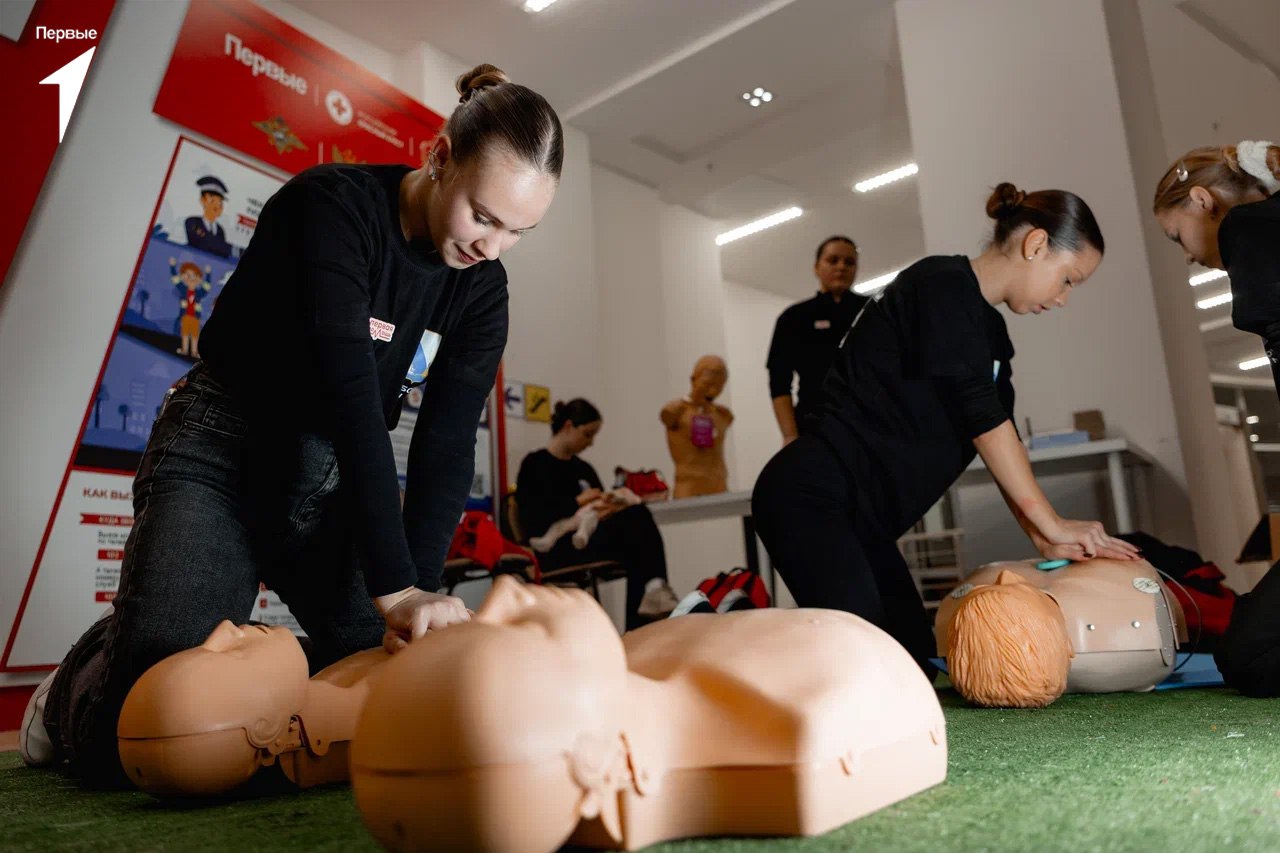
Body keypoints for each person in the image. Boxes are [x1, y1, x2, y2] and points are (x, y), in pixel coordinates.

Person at [25, 63, 564, 784]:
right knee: (149, 730)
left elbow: (443, 443)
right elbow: (350, 399)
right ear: (439, 159)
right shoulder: (331, 209)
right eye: (484, 215)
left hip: (328, 487)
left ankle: (231, 656)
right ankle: (81, 676)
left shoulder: (482, 290)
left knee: (394, 689)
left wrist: (421, 598)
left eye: (519, 230)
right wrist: (395, 588)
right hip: (223, 452)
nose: (492, 246)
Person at [752, 183, 1140, 673]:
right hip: (810, 497)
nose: (1064, 298)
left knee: (913, 659)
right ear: (1036, 245)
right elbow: (981, 415)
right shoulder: (939, 284)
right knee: (867, 663)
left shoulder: (993, 336)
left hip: (864, 523)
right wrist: (1052, 519)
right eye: (1068, 279)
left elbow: (999, 437)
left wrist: (1042, 537)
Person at [1151, 140, 1280, 700]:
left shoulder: (1246, 227)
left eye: (1175, 235)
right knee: (1247, 650)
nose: (1186, 252)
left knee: (1250, 657)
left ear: (1203, 201)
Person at [516, 399, 679, 629]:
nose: (590, 442)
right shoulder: (535, 464)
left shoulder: (584, 469)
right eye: (588, 434)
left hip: (589, 538)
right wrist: (576, 501)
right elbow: (534, 518)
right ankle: (648, 608)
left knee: (637, 527)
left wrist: (612, 502)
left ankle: (648, 608)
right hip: (556, 546)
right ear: (568, 426)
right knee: (638, 534)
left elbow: (601, 514)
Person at [766, 236, 866, 444]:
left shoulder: (873, 312)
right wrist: (789, 435)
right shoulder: (794, 317)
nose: (841, 267)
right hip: (814, 426)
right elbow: (779, 381)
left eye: (849, 262)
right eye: (833, 260)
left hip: (868, 423)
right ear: (816, 267)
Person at [184, 175, 234, 258]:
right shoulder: (192, 222)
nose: (217, 205)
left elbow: (223, 254)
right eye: (212, 200)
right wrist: (234, 250)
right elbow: (206, 241)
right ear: (202, 200)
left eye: (220, 201)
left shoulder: (220, 230)